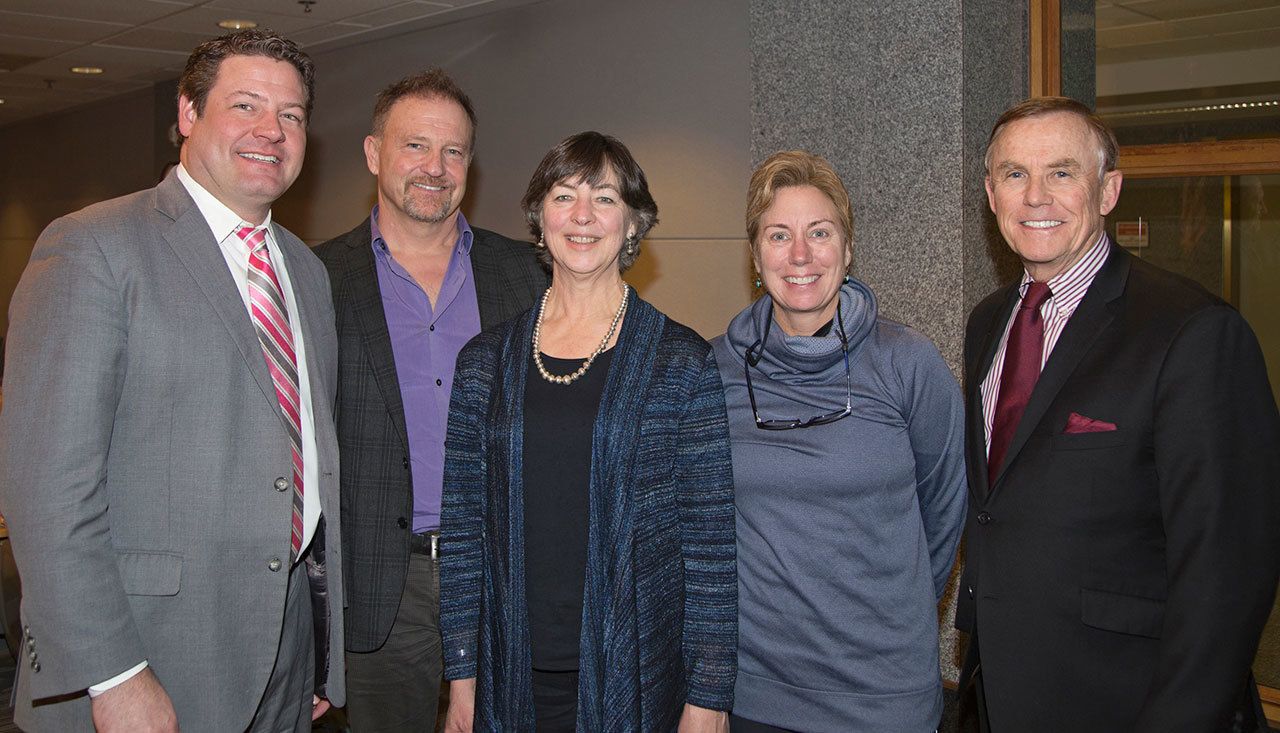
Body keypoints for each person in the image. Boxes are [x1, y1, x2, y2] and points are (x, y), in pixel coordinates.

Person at [0, 29, 345, 732]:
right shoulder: (94, 247)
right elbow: (47, 490)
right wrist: (115, 674)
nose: (270, 132)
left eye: (291, 115)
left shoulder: (306, 271)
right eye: (245, 105)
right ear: (188, 112)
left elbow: (309, 468)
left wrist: (316, 643)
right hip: (148, 658)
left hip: (283, 656)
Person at [956, 96, 1280, 732]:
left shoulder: (1193, 332)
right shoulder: (989, 323)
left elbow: (1227, 576)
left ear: (1109, 190)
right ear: (991, 195)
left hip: (1128, 704)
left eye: (1062, 172)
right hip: (1000, 696)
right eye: (1015, 175)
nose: (1036, 197)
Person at [438, 131, 737, 732]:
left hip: (639, 683)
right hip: (507, 680)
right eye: (563, 194)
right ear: (539, 217)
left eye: (603, 198)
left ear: (633, 224)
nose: (581, 216)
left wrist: (707, 703)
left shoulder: (680, 362)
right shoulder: (483, 362)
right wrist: (462, 680)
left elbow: (710, 549)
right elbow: (465, 534)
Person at [314, 69, 545, 731]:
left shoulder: (526, 273)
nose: (435, 168)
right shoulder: (318, 277)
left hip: (504, 573)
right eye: (415, 146)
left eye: (453, 151)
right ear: (373, 153)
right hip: (383, 585)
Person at [710, 151, 966, 732]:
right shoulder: (714, 369)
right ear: (755, 255)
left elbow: (946, 508)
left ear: (847, 250)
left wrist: (889, 614)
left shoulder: (907, 364)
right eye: (779, 235)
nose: (800, 255)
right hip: (755, 696)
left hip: (881, 696)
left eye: (819, 232)